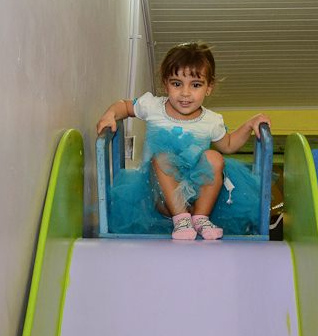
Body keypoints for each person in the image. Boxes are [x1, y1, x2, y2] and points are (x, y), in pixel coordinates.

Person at [96, 42, 271, 240]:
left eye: (195, 85)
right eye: (177, 84)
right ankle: (181, 219)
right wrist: (110, 115)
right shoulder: (153, 106)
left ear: (209, 87)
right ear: (165, 84)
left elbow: (229, 145)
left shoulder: (211, 120)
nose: (185, 92)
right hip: (158, 195)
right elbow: (126, 106)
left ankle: (200, 218)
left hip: (197, 197)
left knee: (214, 156)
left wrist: (249, 125)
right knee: (163, 156)